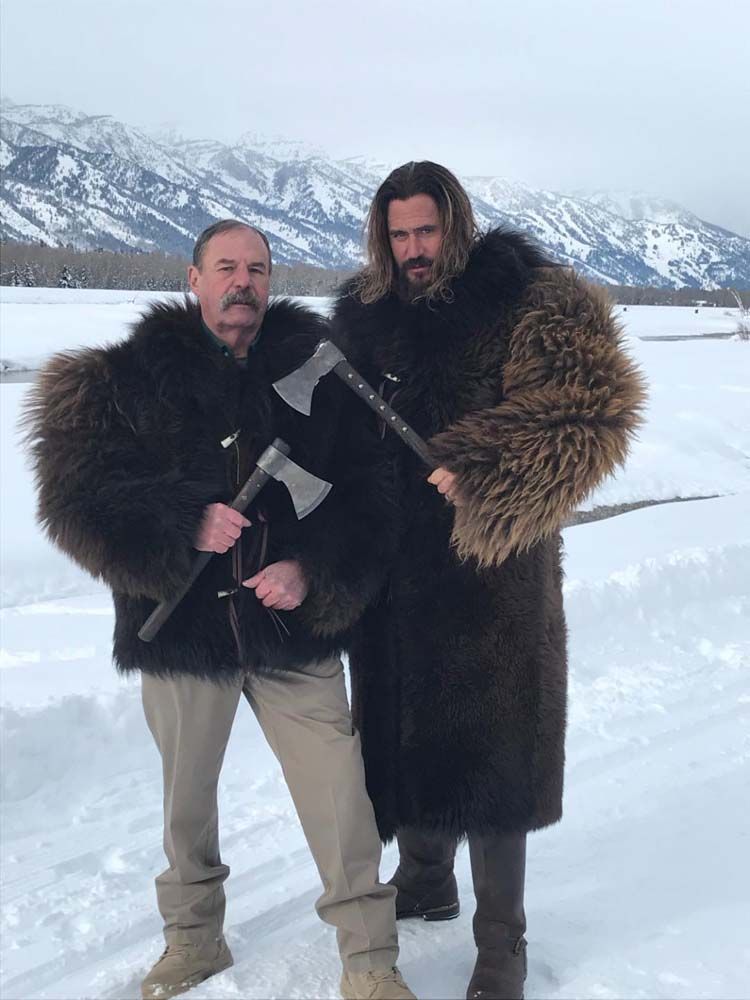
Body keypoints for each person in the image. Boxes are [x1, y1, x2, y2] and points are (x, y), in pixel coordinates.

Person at [24, 220, 416, 1000]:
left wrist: (311, 567)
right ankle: (194, 942)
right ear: (193, 279)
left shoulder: (316, 374)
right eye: (227, 267)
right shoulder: (125, 380)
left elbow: (372, 494)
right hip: (183, 627)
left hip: (290, 627)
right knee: (186, 806)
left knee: (340, 794)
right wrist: (180, 521)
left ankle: (370, 963)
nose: (244, 283)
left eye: (259, 269)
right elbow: (75, 500)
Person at [331, 163, 647, 1000]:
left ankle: (501, 941)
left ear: (456, 224)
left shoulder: (528, 300)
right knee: (400, 733)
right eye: (397, 236)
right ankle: (426, 877)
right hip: (395, 575)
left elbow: (591, 411)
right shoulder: (362, 318)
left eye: (425, 232)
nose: (412, 251)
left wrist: (486, 466)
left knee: (494, 750)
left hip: (491, 577)